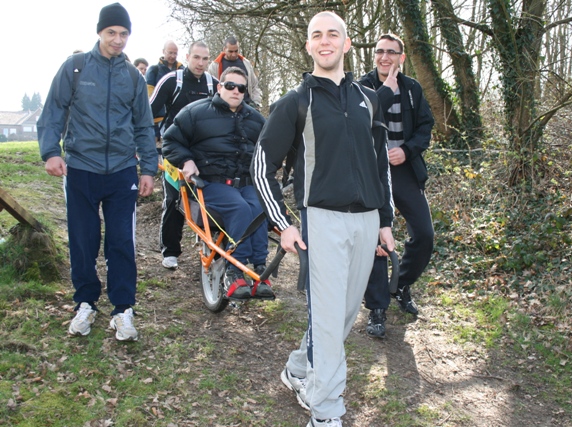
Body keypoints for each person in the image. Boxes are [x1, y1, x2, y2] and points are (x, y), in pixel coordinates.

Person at [251, 11, 394, 427]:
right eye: (317, 35)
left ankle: (298, 369)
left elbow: (380, 164)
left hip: (367, 222)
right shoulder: (295, 102)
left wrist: (385, 221)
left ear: (347, 44)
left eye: (333, 34)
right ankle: (326, 411)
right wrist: (284, 223)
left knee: (343, 316)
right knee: (329, 322)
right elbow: (262, 165)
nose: (325, 41)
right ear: (309, 45)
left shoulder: (369, 98)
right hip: (323, 222)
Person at [37, 2, 157, 342]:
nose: (118, 40)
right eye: (112, 33)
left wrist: (148, 169)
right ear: (99, 33)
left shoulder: (133, 76)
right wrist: (50, 152)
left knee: (121, 241)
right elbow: (53, 111)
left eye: (123, 34)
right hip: (81, 169)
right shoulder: (74, 68)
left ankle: (123, 310)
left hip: (122, 171)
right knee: (83, 240)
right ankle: (86, 303)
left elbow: (144, 127)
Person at [162, 67, 273, 299]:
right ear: (220, 87)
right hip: (210, 183)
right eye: (230, 86)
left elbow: (269, 150)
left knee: (260, 208)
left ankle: (260, 269)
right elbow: (170, 140)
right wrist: (186, 159)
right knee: (240, 208)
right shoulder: (195, 112)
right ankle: (235, 270)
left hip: (245, 183)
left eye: (241, 88)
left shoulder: (255, 119)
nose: (236, 91)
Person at [359, 34, 435, 337]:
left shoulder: (413, 89)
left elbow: (425, 128)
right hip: (371, 173)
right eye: (380, 52)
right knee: (375, 239)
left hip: (404, 171)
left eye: (391, 52)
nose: (385, 57)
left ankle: (400, 285)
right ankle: (377, 308)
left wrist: (406, 150)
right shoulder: (360, 87)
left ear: (401, 58)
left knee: (425, 235)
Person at [149, 40, 218, 270]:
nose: (200, 63)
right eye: (196, 58)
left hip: (204, 152)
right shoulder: (172, 81)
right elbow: (149, 111)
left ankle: (211, 245)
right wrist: (149, 142)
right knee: (174, 199)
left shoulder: (213, 84)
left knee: (210, 198)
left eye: (205, 59)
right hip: (174, 150)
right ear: (187, 57)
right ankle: (170, 250)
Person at [146, 40, 184, 141]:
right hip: (158, 117)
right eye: (170, 52)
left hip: (177, 116)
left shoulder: (182, 70)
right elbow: (150, 95)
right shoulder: (154, 70)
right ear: (163, 51)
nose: (172, 56)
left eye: (175, 53)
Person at [208, 36, 261, 107]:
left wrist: (256, 103)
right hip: (224, 107)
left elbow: (254, 85)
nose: (234, 54)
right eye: (230, 51)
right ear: (224, 49)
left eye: (236, 51)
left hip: (246, 105)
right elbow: (211, 88)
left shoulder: (246, 64)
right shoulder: (215, 66)